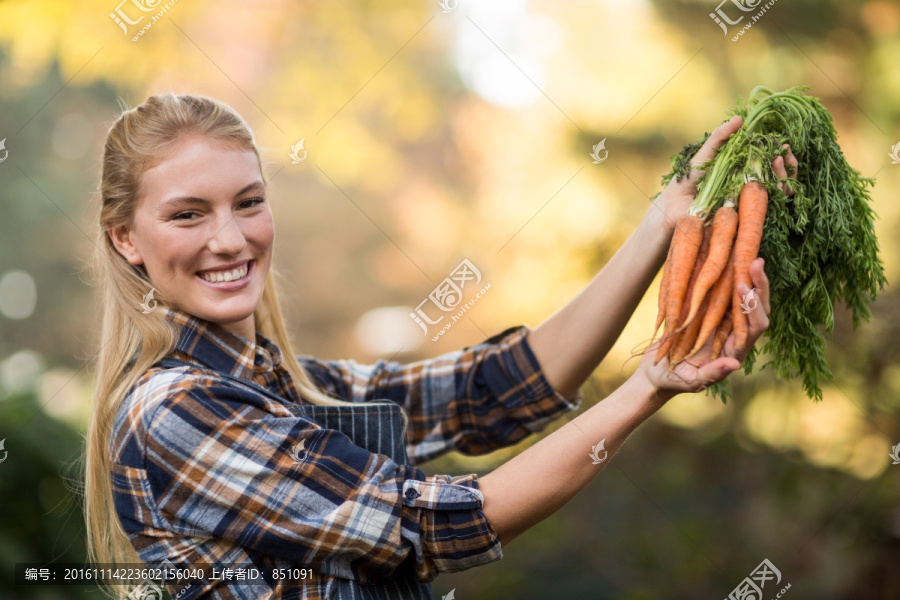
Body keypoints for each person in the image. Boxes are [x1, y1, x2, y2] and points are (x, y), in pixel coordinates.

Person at [84, 93, 796, 600]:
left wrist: (655, 232)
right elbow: (428, 526)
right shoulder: (175, 410)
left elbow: (490, 393)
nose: (232, 239)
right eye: (188, 214)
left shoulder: (283, 385)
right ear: (126, 238)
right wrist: (647, 389)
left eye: (248, 201)